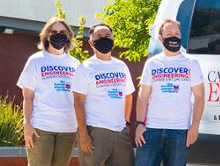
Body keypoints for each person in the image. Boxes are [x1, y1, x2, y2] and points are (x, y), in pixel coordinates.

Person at [134, 19, 205, 166]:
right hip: (151, 130)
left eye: (177, 34)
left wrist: (194, 127)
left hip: (179, 133)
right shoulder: (152, 63)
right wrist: (140, 124)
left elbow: (200, 96)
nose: (174, 37)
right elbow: (143, 96)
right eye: (169, 34)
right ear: (160, 38)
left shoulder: (191, 63)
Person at [16, 17, 80, 166]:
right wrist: (27, 124)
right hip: (41, 127)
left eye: (62, 32)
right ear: (47, 35)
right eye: (54, 31)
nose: (58, 34)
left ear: (68, 35)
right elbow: (27, 96)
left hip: (68, 128)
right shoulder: (36, 60)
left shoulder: (76, 64)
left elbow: (80, 99)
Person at [72, 23, 135, 166]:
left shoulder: (121, 66)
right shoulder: (85, 68)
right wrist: (83, 135)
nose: (104, 39)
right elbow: (78, 102)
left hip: (120, 132)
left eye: (107, 36)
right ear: (91, 42)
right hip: (96, 132)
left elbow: (128, 96)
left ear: (113, 39)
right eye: (99, 36)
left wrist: (126, 123)